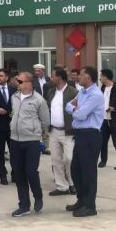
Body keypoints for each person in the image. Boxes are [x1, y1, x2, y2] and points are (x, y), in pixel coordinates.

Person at [65, 66, 105, 217]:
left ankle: (90, 206)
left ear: (88, 77)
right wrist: (75, 108)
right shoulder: (82, 92)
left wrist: (76, 109)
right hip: (80, 135)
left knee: (88, 171)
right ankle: (81, 200)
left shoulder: (96, 95)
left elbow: (80, 115)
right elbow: (68, 106)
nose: (78, 77)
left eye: (81, 75)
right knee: (76, 169)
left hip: (90, 135)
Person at [9, 72, 50, 217]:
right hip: (14, 140)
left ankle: (38, 196)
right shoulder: (14, 97)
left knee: (31, 171)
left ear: (29, 83)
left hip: (32, 141)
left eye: (20, 81)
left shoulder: (39, 100)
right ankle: (24, 205)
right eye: (17, 80)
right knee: (18, 173)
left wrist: (40, 137)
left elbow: (45, 121)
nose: (17, 83)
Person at [45, 67, 78, 196]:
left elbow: (78, 110)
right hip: (53, 131)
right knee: (56, 160)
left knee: (69, 159)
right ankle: (62, 186)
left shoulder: (73, 92)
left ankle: (72, 183)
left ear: (59, 77)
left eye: (53, 76)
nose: (51, 78)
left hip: (68, 132)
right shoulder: (51, 92)